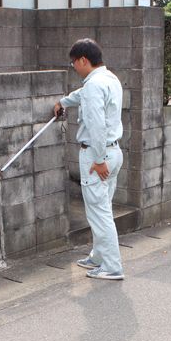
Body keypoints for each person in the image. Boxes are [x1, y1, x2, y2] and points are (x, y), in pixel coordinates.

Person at [54, 39, 125, 280]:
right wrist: (62, 102)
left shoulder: (95, 85)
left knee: (99, 213)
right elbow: (80, 96)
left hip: (98, 156)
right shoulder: (109, 79)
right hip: (113, 153)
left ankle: (112, 266)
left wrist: (98, 159)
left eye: (74, 63)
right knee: (102, 208)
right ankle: (98, 257)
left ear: (83, 60)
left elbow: (96, 124)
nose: (73, 67)